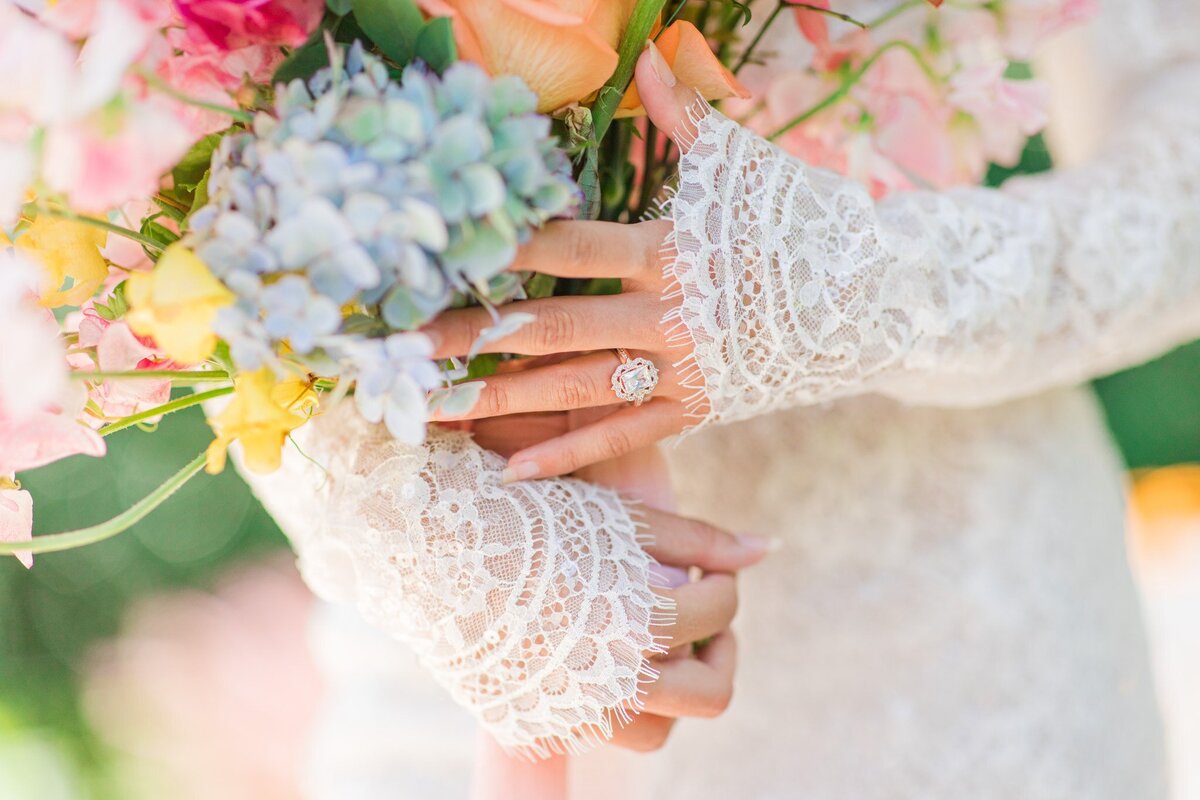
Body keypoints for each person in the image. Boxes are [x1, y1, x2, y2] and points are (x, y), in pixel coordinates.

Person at [243, 0, 1200, 796]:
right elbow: (181, 214)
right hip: (467, 625)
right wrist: (402, 521)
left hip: (941, 631)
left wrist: (860, 286)